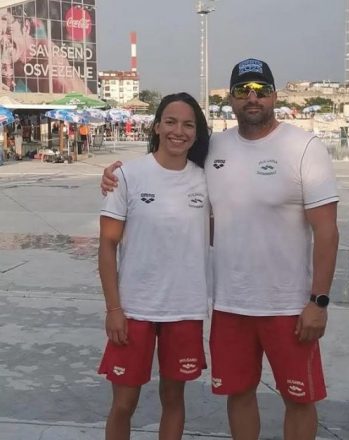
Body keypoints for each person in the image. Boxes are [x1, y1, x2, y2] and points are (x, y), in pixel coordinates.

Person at [101, 59, 339, 440]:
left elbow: (326, 230)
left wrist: (319, 301)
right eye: (243, 90)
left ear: (275, 95)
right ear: (230, 98)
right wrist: (115, 178)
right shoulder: (215, 149)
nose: (252, 97)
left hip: (289, 305)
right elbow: (166, 173)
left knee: (299, 400)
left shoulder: (304, 147)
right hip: (230, 305)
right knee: (238, 395)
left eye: (261, 90)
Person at [98, 92, 210, 440]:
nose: (179, 131)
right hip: (135, 309)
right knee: (123, 403)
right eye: (171, 122)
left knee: (174, 400)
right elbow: (107, 245)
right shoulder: (127, 176)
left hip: (184, 309)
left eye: (188, 124)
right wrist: (114, 309)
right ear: (158, 126)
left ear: (197, 132)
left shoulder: (207, 179)